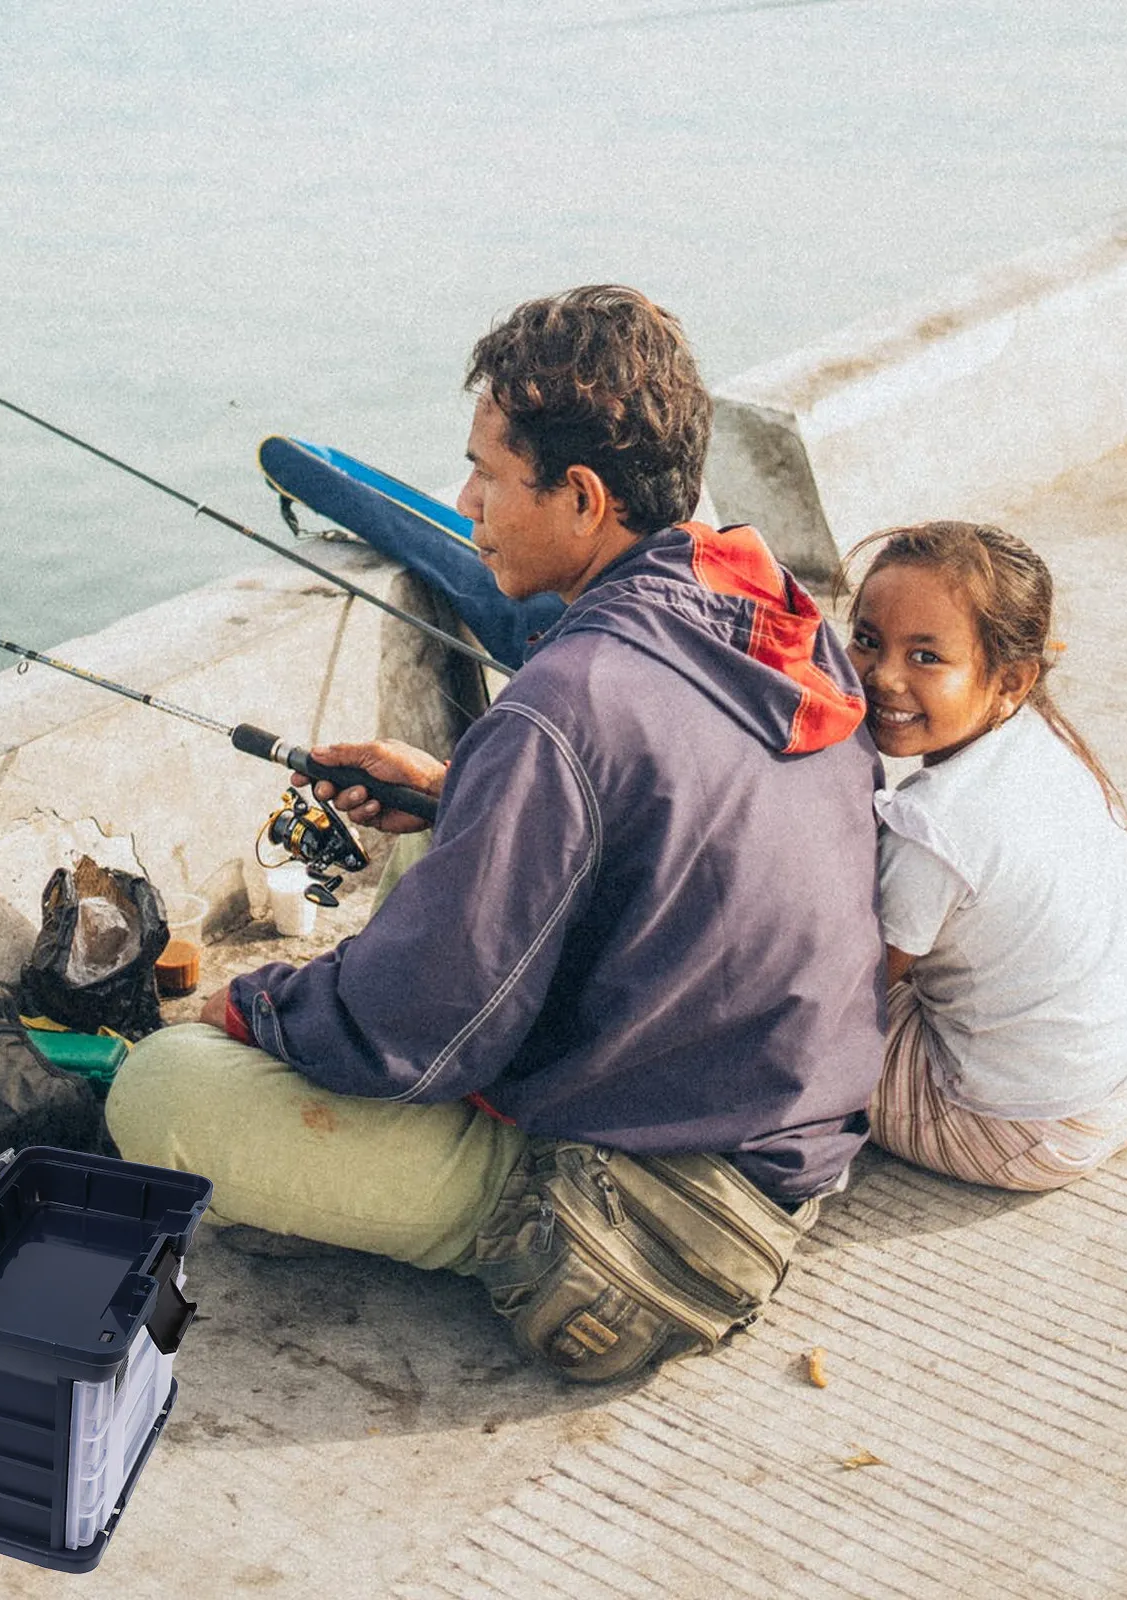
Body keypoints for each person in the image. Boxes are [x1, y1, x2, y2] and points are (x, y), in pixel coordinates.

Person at [107, 285, 887, 1381]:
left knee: (161, 1089)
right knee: (458, 835)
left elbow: (414, 1030)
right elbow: (673, 824)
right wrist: (460, 789)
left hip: (649, 1224)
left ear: (580, 496)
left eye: (486, 472)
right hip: (786, 1129)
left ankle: (466, 1217)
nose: (465, 502)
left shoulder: (560, 707)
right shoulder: (771, 612)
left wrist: (246, 1005)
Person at [842, 520, 1127, 1189]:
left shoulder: (933, 826)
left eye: (926, 657)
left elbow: (846, 997)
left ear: (1011, 679)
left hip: (1015, 1130)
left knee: (772, 1000)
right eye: (866, 640)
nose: (883, 676)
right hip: (1114, 1082)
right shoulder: (1042, 738)